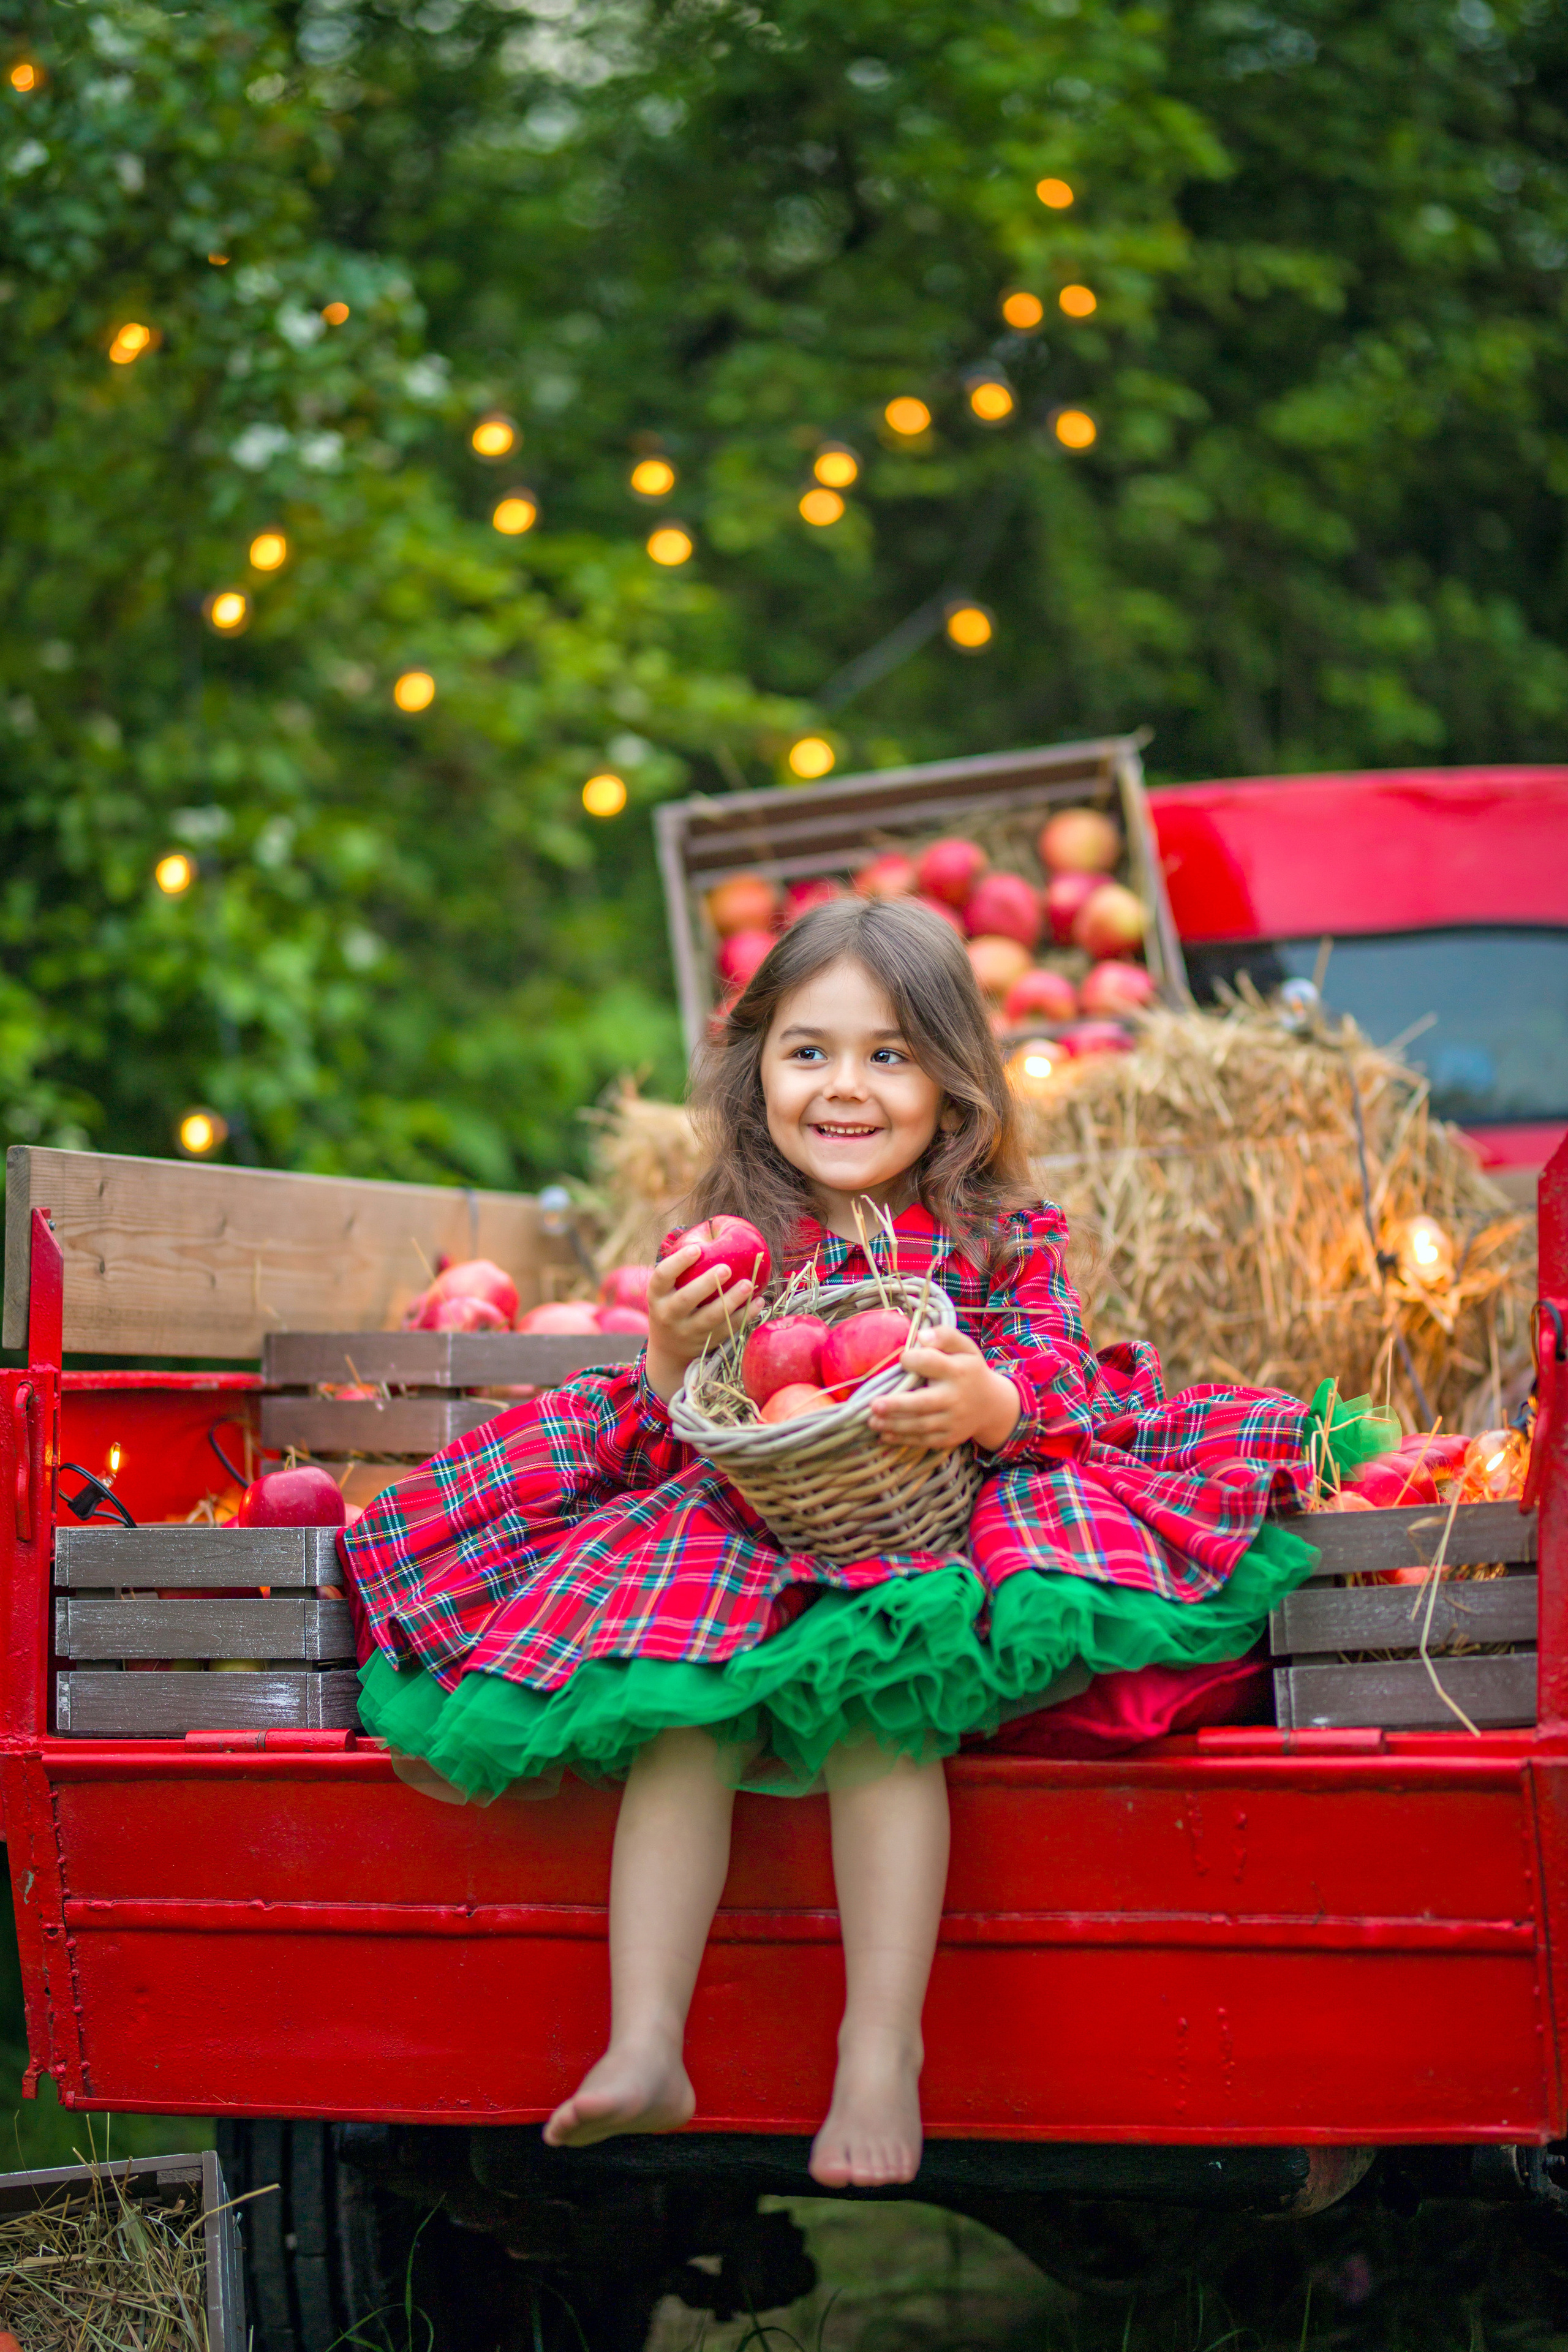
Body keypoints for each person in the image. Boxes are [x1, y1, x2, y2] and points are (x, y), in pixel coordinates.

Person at [341, 897, 1345, 2189]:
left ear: (953, 1079)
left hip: (924, 1530)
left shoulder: (1001, 1235)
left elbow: (1055, 1373)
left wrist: (993, 1402)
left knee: (886, 1722)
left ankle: (880, 2053)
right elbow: (674, 1426)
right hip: (743, 1532)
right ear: (755, 1071)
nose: (845, 1087)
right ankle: (646, 2042)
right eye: (807, 1051)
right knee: (679, 1718)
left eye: (888, 1054)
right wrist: (668, 1351)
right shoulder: (729, 1245)